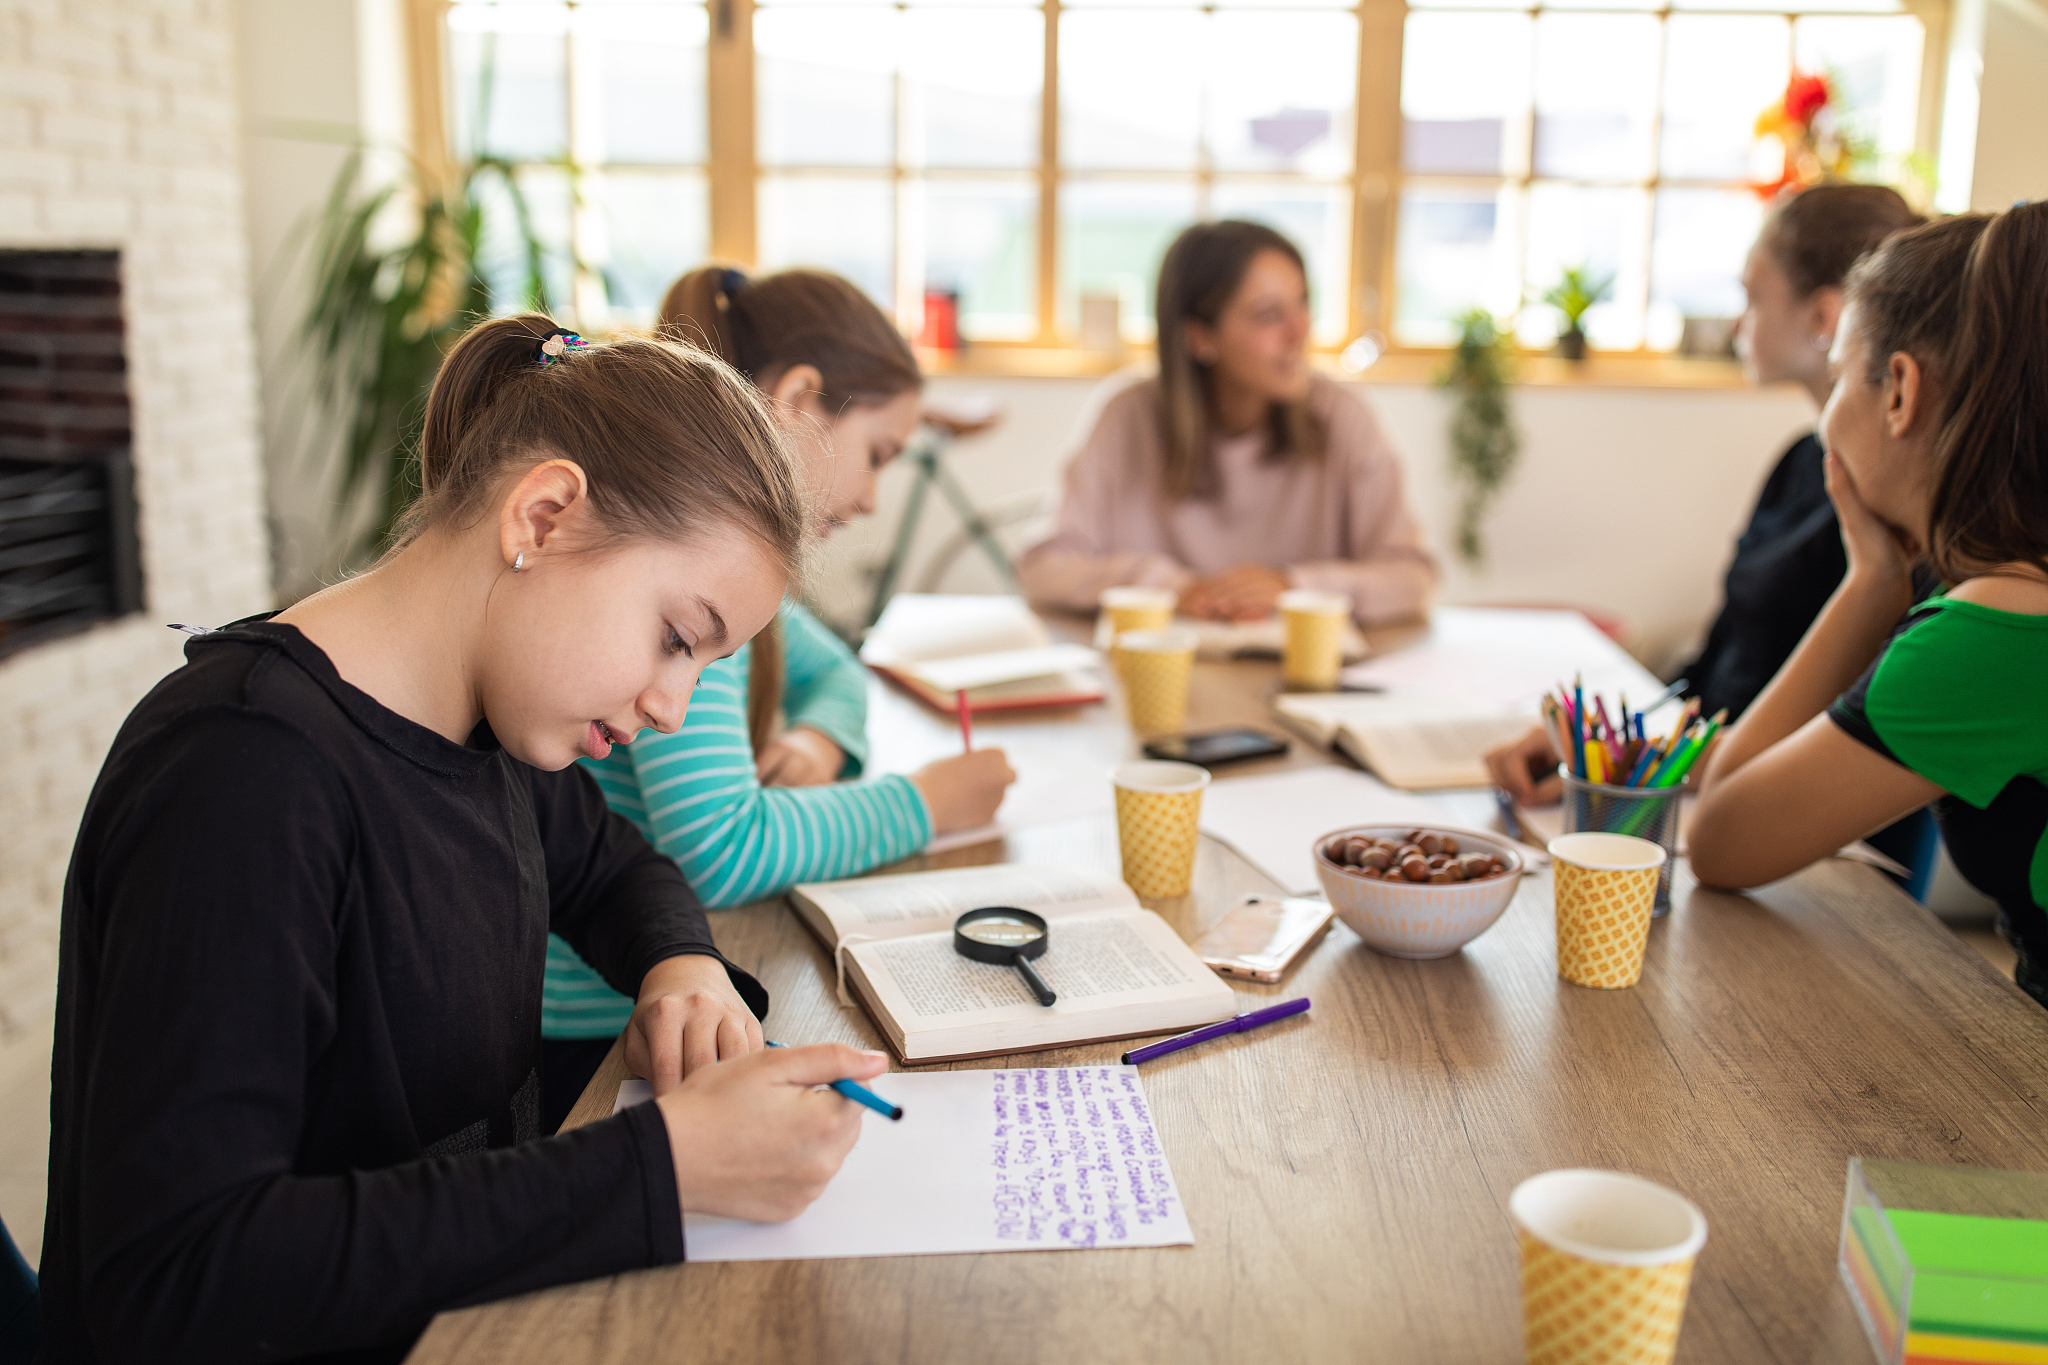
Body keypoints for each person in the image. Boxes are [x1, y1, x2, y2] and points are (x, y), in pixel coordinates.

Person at [41, 315, 890, 1363]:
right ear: (542, 515)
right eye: (677, 638)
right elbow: (178, 1275)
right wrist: (659, 1167)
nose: (673, 708)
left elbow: (618, 870)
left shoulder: (484, 724)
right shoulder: (243, 774)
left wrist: (682, 967)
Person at [540, 267, 1016, 1130]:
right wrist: (924, 804)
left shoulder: (728, 583)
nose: (871, 497)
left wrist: (816, 741)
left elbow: (838, 672)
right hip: (597, 1045)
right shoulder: (697, 593)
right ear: (797, 399)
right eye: (877, 454)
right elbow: (720, 847)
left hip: (659, 998)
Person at [1690, 205, 2048, 1009]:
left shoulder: (1991, 631)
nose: (1827, 419)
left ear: (1901, 393)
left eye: (1844, 371)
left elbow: (1720, 838)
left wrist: (1870, 583)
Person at [1486, 185, 1923, 806]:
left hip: (1766, 802)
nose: (1739, 324)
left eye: (1753, 298)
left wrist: (1631, 759)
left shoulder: (1889, 517)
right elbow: (1714, 666)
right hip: (1698, 779)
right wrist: (1607, 743)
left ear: (1824, 319)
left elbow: (1824, 734)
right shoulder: (1800, 463)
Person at [1018, 219, 1437, 626]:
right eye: (1269, 314)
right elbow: (1043, 568)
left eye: (1303, 303)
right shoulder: (1126, 416)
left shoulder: (1343, 416)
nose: (1300, 331)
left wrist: (1294, 587)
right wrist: (1171, 588)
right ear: (1198, 336)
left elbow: (1413, 578)